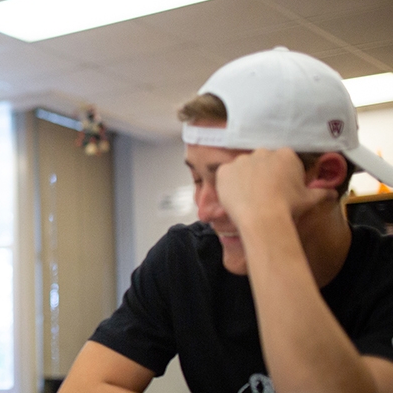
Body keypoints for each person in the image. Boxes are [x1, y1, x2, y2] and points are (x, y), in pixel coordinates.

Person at [60, 48, 393, 393]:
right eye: (198, 179)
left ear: (325, 174)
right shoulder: (185, 258)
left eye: (229, 182)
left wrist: (264, 221)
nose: (204, 211)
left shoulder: (383, 277)